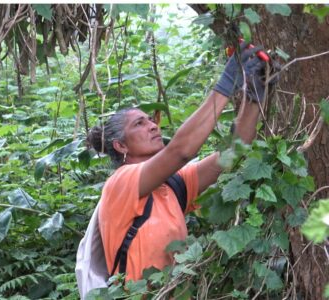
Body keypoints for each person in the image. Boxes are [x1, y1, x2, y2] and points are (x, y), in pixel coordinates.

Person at [86, 44, 268, 282]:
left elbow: (235, 151)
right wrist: (226, 83)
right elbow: (181, 151)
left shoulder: (173, 184)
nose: (153, 125)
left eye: (151, 120)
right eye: (139, 124)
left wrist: (255, 94)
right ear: (121, 146)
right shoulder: (120, 183)